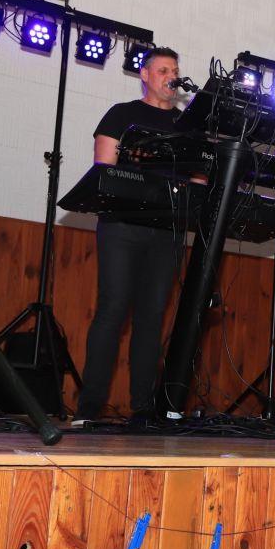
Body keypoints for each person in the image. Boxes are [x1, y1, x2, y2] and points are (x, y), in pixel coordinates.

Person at [75, 47, 184, 422]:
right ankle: (89, 408)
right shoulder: (122, 114)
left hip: (166, 231)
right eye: (163, 70)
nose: (171, 76)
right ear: (145, 75)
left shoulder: (187, 127)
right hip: (122, 225)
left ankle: (143, 409)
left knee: (152, 318)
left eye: (175, 70)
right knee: (113, 309)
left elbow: (199, 179)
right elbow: (104, 170)